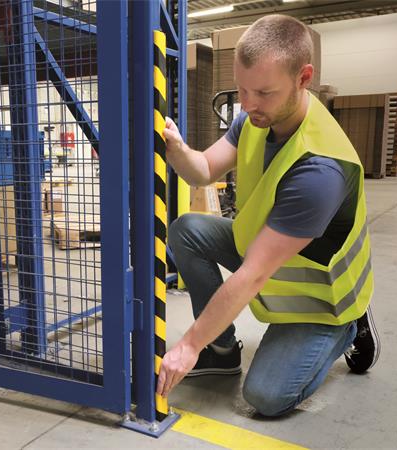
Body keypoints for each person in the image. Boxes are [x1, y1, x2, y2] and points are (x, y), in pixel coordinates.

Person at [157, 14, 380, 417]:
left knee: (265, 396)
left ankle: (349, 328)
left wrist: (188, 344)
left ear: (303, 78)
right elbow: (203, 170)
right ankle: (221, 350)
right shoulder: (253, 119)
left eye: (263, 92)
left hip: (318, 299)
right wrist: (177, 148)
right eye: (242, 89)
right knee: (188, 229)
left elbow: (253, 275)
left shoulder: (320, 169)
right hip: (271, 256)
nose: (247, 104)